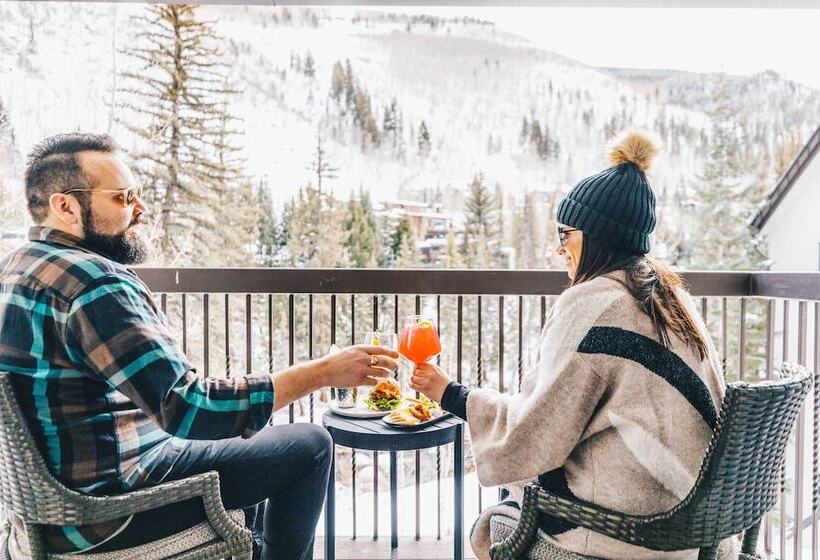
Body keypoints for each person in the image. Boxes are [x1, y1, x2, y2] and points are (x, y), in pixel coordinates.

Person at [0, 133, 399, 560]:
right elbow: (189, 408)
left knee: (257, 445)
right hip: (114, 512)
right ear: (65, 206)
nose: (140, 208)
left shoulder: (17, 267)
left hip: (49, 512)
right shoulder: (94, 283)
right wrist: (322, 372)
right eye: (122, 197)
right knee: (311, 446)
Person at [410, 131, 730, 559]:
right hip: (696, 528)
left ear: (596, 236)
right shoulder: (669, 300)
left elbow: (530, 438)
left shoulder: (594, 305)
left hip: (632, 534)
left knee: (494, 523)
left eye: (566, 233)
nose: (558, 248)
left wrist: (452, 395)